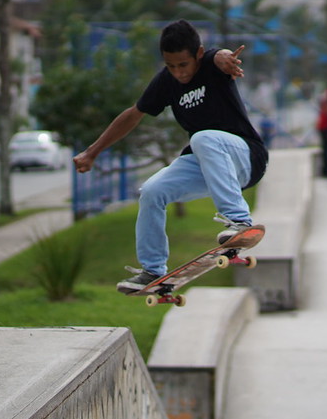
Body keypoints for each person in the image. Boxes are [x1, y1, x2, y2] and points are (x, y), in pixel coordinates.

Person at [73, 19, 268, 292]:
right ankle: (152, 270)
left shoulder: (211, 62)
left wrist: (225, 58)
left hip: (246, 157)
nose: (178, 73)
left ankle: (239, 221)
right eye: (171, 66)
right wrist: (92, 152)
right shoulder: (166, 82)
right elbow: (134, 114)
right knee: (152, 191)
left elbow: (220, 55)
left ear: (198, 54)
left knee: (203, 137)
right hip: (207, 162)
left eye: (183, 65)